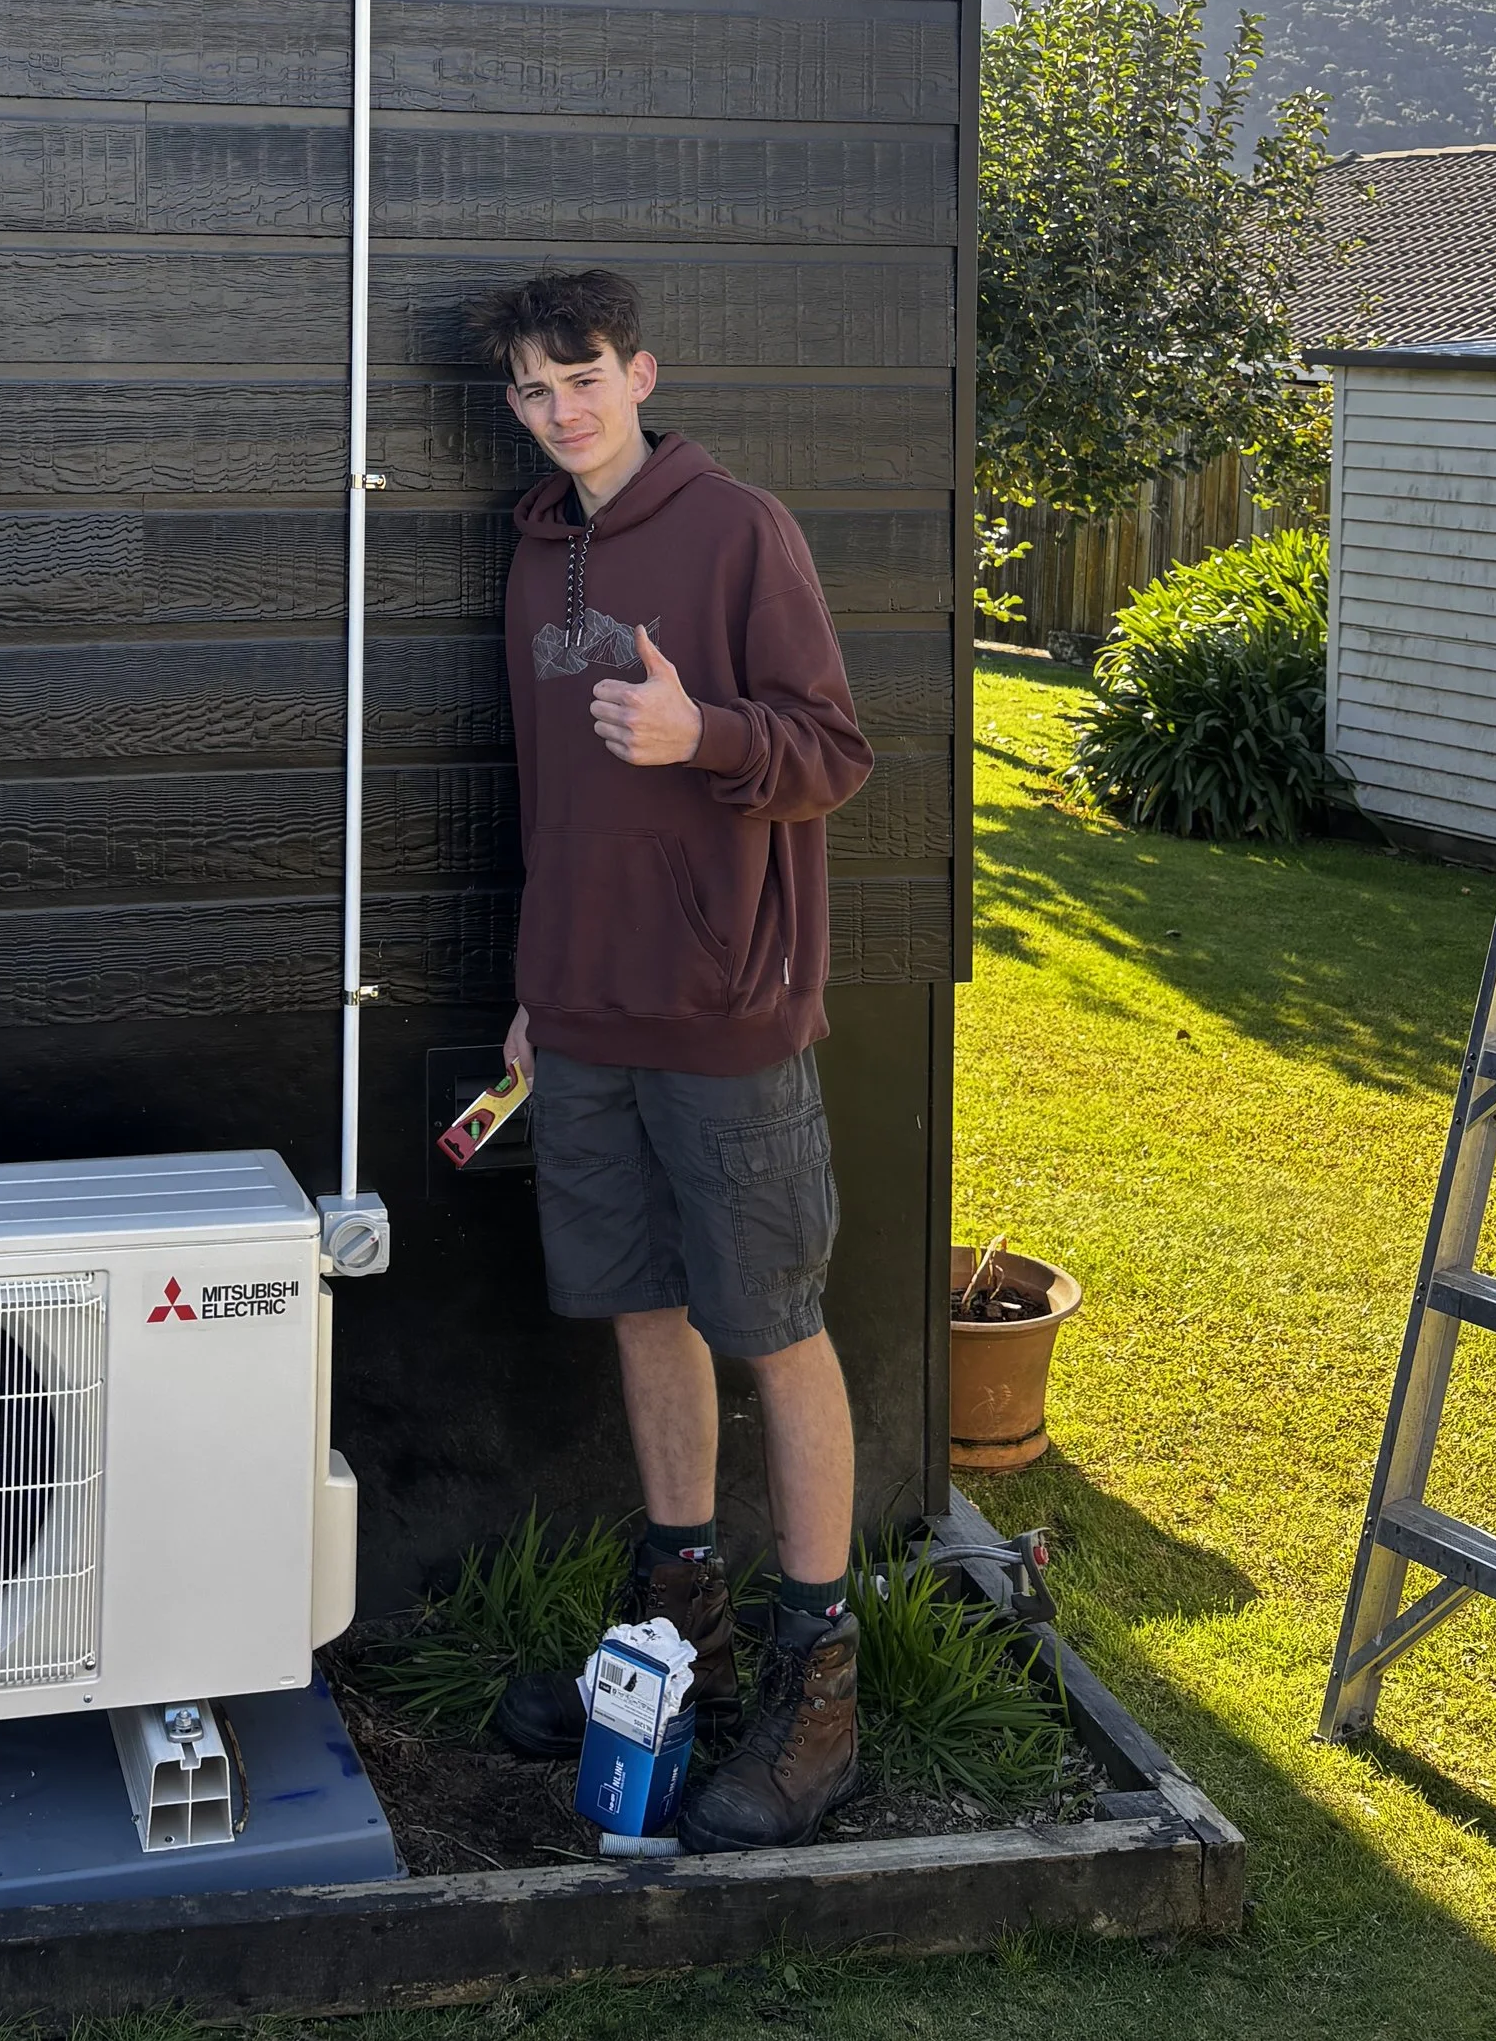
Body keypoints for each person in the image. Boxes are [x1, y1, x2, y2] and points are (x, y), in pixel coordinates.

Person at [465, 265, 875, 1853]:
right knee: (643, 1314)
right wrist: (532, 989)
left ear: (642, 373)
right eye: (529, 391)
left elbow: (833, 752)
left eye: (584, 380)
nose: (560, 412)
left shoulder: (738, 529)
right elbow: (550, 808)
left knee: (772, 1327)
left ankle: (820, 1681)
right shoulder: (533, 558)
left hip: (723, 1012)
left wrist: (704, 738)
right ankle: (677, 1631)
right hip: (578, 1014)